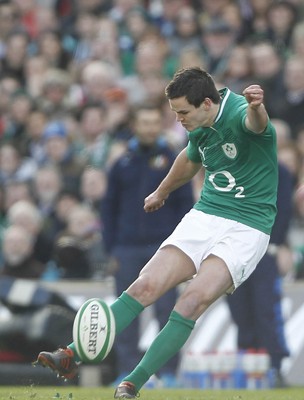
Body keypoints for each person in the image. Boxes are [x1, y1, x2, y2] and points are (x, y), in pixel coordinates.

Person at [34, 67, 278, 398]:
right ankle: (71, 356)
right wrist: (161, 191)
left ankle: (133, 381)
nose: (178, 120)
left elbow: (258, 126)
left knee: (191, 301)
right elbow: (191, 159)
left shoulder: (240, 114)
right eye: (175, 112)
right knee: (145, 285)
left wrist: (257, 107)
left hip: (248, 226)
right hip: (208, 213)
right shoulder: (200, 123)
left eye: (182, 112)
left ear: (207, 103)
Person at [101, 104, 194, 386]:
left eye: (155, 123)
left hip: (163, 246)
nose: (150, 128)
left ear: (160, 126)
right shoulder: (122, 163)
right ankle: (126, 371)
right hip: (126, 249)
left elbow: (185, 206)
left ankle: (166, 374)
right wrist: (110, 251)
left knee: (167, 312)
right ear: (135, 125)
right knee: (127, 315)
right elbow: (109, 210)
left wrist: (184, 249)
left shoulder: (173, 159)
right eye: (145, 122)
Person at [226, 162, 293, 388]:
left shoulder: (280, 171)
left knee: (266, 310)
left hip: (264, 251)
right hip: (234, 251)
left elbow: (282, 209)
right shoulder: (233, 168)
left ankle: (274, 367)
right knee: (239, 310)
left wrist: (275, 243)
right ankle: (247, 366)